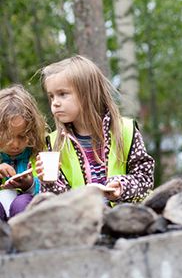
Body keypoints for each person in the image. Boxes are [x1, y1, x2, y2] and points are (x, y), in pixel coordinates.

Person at [38, 55, 154, 203]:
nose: (55, 103)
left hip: (123, 217)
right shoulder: (55, 143)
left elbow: (144, 179)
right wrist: (49, 182)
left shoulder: (126, 130)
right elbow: (59, 201)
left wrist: (121, 187)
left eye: (62, 94)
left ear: (88, 94)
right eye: (52, 96)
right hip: (81, 218)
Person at [0, 86, 46, 220]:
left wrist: (30, 185)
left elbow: (51, 190)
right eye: (8, 137)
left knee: (21, 203)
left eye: (22, 136)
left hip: (30, 214)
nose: (15, 144)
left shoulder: (39, 153)